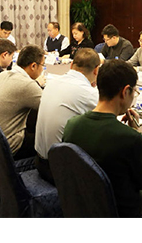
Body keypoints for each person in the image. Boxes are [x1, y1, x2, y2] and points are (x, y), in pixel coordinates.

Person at [63, 59, 142, 218]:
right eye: (134, 92)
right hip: (124, 212)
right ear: (125, 92)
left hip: (85, 205)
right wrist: (136, 132)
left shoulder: (71, 125)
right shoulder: (130, 138)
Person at [34, 48, 100, 184]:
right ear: (96, 70)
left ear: (71, 65)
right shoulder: (88, 93)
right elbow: (112, 114)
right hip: (60, 173)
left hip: (40, 162)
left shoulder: (51, 83)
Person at [0, 44, 46, 160]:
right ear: (33, 66)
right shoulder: (27, 84)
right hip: (8, 146)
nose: (43, 69)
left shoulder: (3, 74)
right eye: (43, 65)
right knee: (47, 138)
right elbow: (49, 107)